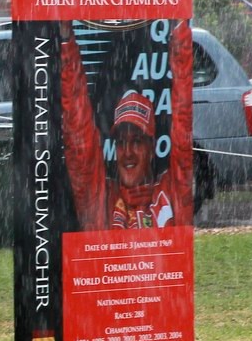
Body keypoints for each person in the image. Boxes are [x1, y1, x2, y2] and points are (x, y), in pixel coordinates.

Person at [60, 20, 194, 231]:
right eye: (121, 143)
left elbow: (183, 119)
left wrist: (180, 27)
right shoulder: (100, 200)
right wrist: (67, 39)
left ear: (152, 148)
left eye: (137, 141)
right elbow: (78, 134)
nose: (128, 152)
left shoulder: (171, 193)